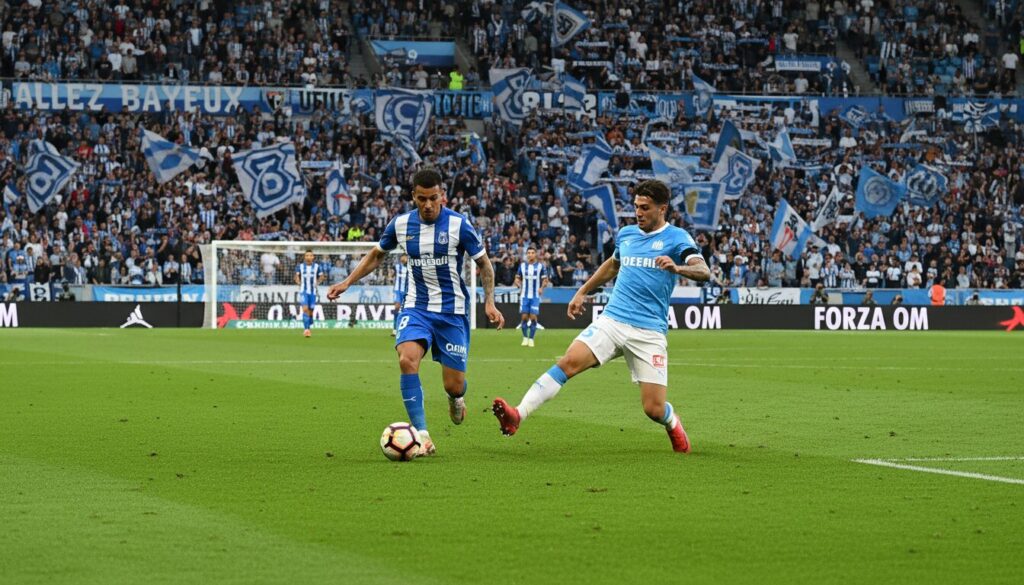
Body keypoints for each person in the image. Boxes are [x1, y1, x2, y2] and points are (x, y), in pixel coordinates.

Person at [491, 180, 710, 453]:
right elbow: (613, 265)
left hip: (648, 331)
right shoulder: (627, 234)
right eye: (636, 207)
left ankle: (672, 422)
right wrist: (582, 291)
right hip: (613, 320)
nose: (638, 213)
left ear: (662, 208)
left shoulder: (677, 238)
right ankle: (518, 414)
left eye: (645, 208)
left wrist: (677, 268)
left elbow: (703, 271)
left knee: (653, 409)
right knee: (568, 361)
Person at [327, 168, 505, 456]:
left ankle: (455, 398)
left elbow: (484, 264)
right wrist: (347, 282)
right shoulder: (401, 224)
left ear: (442, 196)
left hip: (451, 312)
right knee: (407, 360)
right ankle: (421, 435)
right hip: (416, 307)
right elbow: (376, 255)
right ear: (414, 197)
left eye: (434, 198)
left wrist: (489, 302)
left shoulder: (459, 225)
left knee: (454, 385)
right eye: (422, 199)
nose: (428, 204)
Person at [515, 246, 549, 347]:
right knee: (524, 317)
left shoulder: (540, 266)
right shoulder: (522, 266)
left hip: (535, 296)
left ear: (535, 254)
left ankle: (531, 339)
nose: (530, 254)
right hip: (524, 296)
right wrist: (518, 283)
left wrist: (541, 288)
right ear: (526, 254)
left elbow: (545, 280)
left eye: (532, 253)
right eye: (528, 253)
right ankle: (525, 338)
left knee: (533, 317)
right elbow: (517, 278)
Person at [294, 249, 325, 338]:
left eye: (310, 255)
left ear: (313, 257)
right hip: (303, 291)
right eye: (307, 255)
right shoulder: (300, 266)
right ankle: (306, 330)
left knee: (311, 310)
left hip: (313, 292)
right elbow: (296, 276)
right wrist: (298, 282)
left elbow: (322, 276)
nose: (308, 257)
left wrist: (317, 282)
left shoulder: (317, 266)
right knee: (305, 309)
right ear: (304, 257)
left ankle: (310, 320)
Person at [392, 254, 409, 337]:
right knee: (397, 308)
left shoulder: (410, 267)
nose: (403, 258)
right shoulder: (397, 266)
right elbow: (391, 273)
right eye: (402, 257)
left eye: (405, 257)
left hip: (407, 291)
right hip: (398, 290)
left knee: (405, 310)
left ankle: (404, 329)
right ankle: (395, 329)